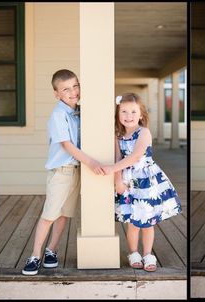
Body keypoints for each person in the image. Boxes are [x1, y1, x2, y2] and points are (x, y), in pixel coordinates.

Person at [22, 69, 106, 275]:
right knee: (50, 214)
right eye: (66, 89)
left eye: (75, 86)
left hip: (76, 171)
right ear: (56, 93)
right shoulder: (59, 114)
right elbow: (67, 145)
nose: (73, 92)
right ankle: (34, 254)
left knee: (64, 214)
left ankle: (52, 250)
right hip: (61, 172)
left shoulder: (78, 111)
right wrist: (92, 162)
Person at [101, 93, 182, 272]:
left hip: (146, 181)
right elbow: (117, 157)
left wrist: (111, 168)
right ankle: (133, 252)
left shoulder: (144, 133)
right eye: (123, 111)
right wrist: (118, 181)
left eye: (133, 112)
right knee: (133, 222)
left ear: (141, 115)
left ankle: (147, 253)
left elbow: (135, 157)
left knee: (148, 222)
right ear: (117, 114)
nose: (128, 116)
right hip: (128, 182)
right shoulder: (116, 134)